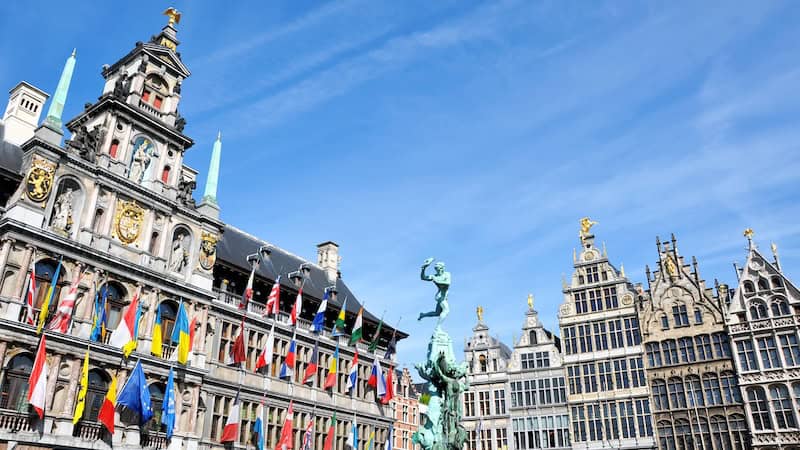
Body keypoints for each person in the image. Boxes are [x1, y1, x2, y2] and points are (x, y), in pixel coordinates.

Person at [418, 258, 451, 323]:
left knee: (437, 313)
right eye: (436, 270)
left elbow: (447, 283)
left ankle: (423, 315)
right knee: (446, 310)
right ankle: (438, 328)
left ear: (442, 268)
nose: (437, 271)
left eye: (438, 269)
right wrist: (423, 268)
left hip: (444, 295)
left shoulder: (447, 274)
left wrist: (436, 280)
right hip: (440, 296)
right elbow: (423, 277)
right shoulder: (434, 276)